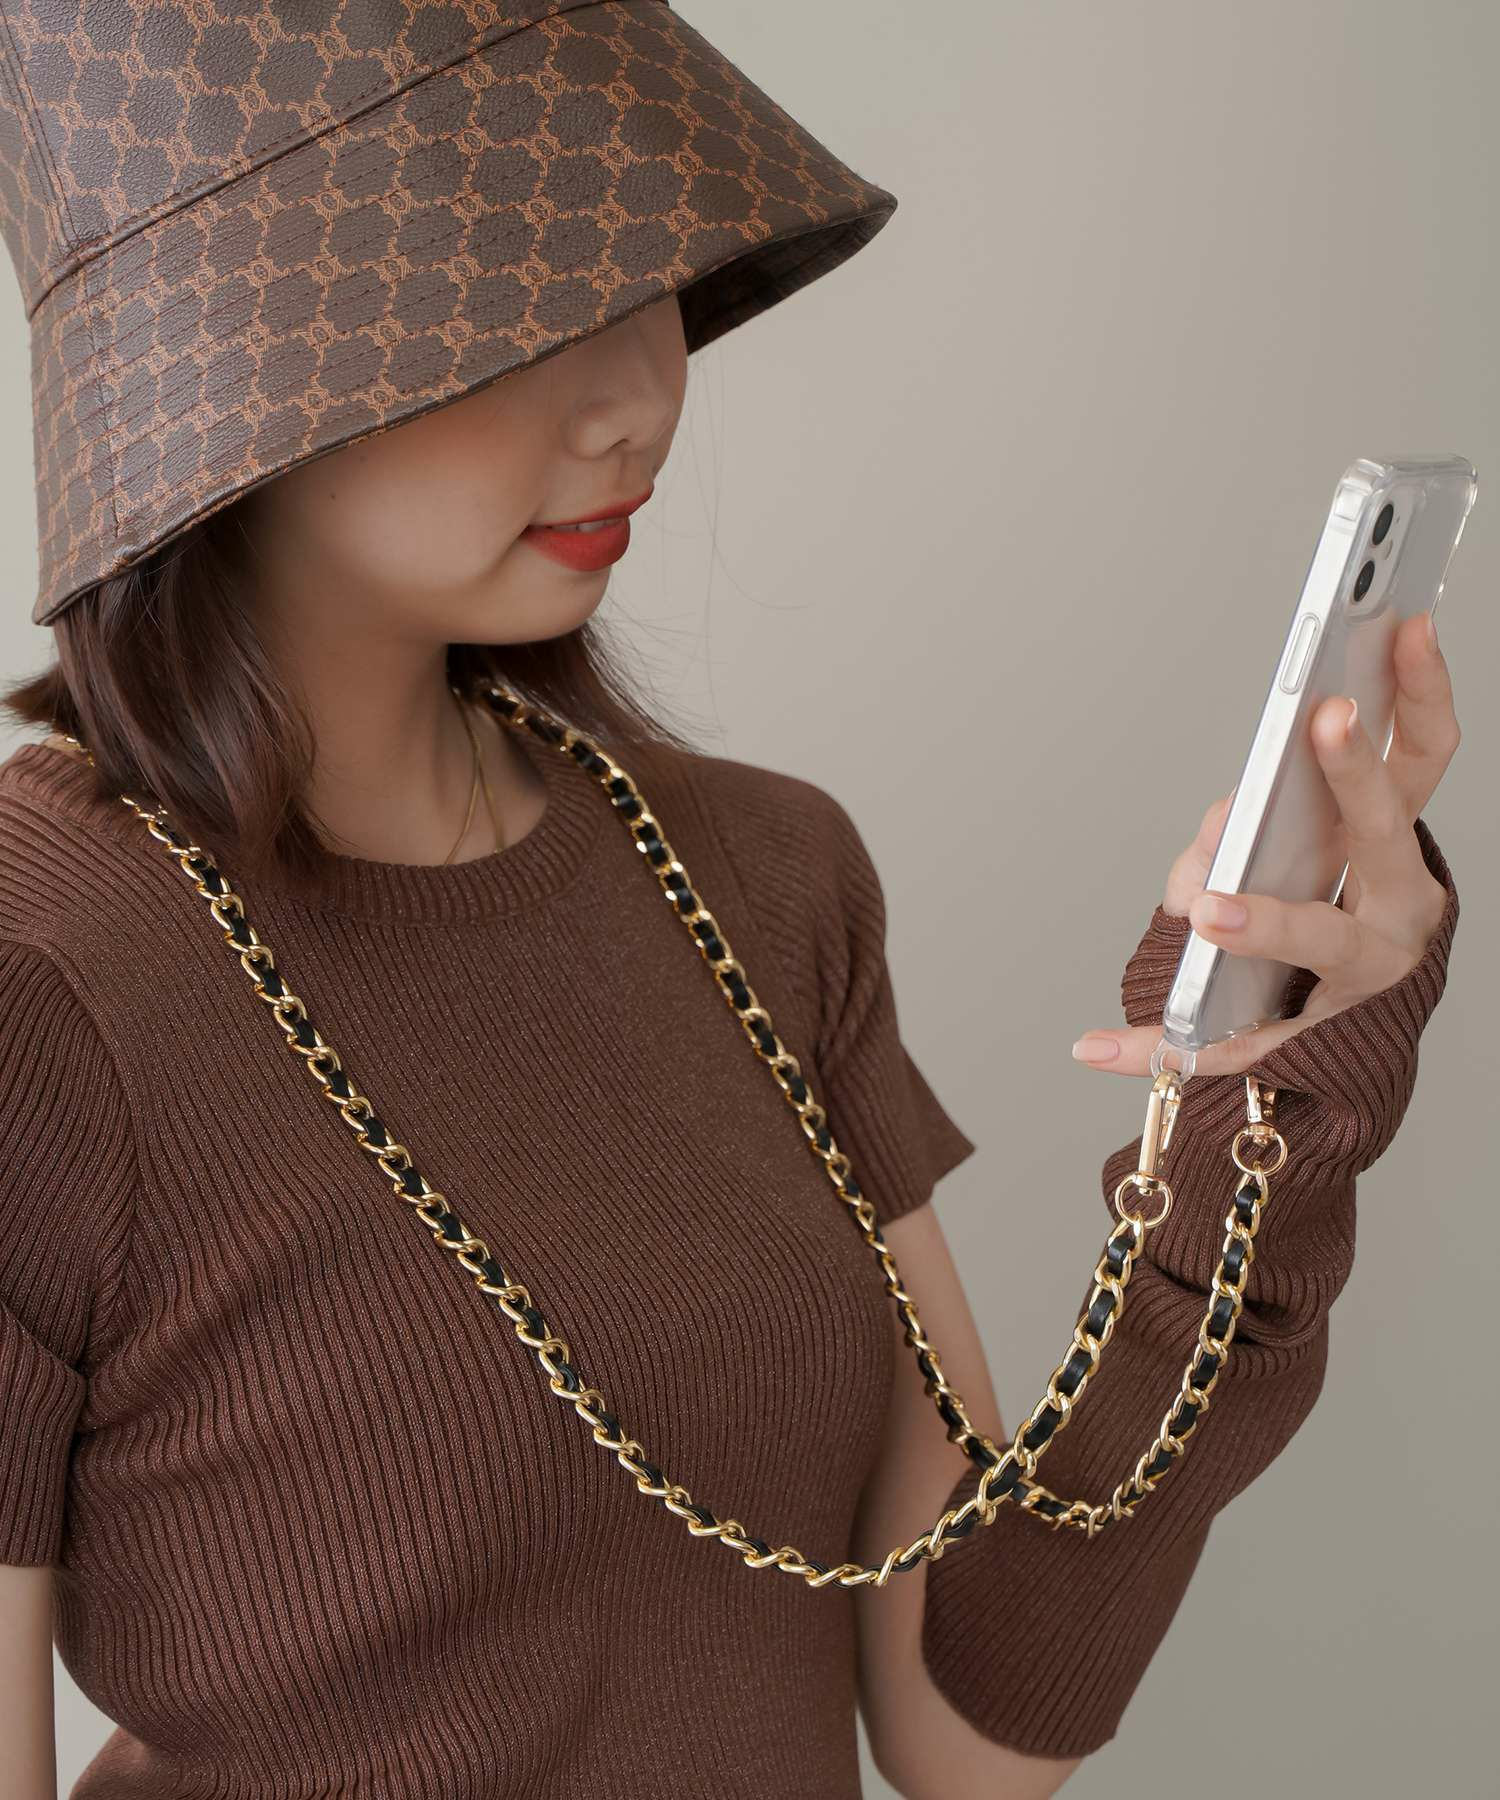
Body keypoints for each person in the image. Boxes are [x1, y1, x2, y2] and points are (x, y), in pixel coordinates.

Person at [0, 5, 1460, 1797]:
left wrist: (1261, 1124)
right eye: (522, 308)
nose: (639, 396)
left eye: (649, 278)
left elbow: (962, 1734)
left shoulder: (763, 880)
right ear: (222, 361)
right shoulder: (43, 976)